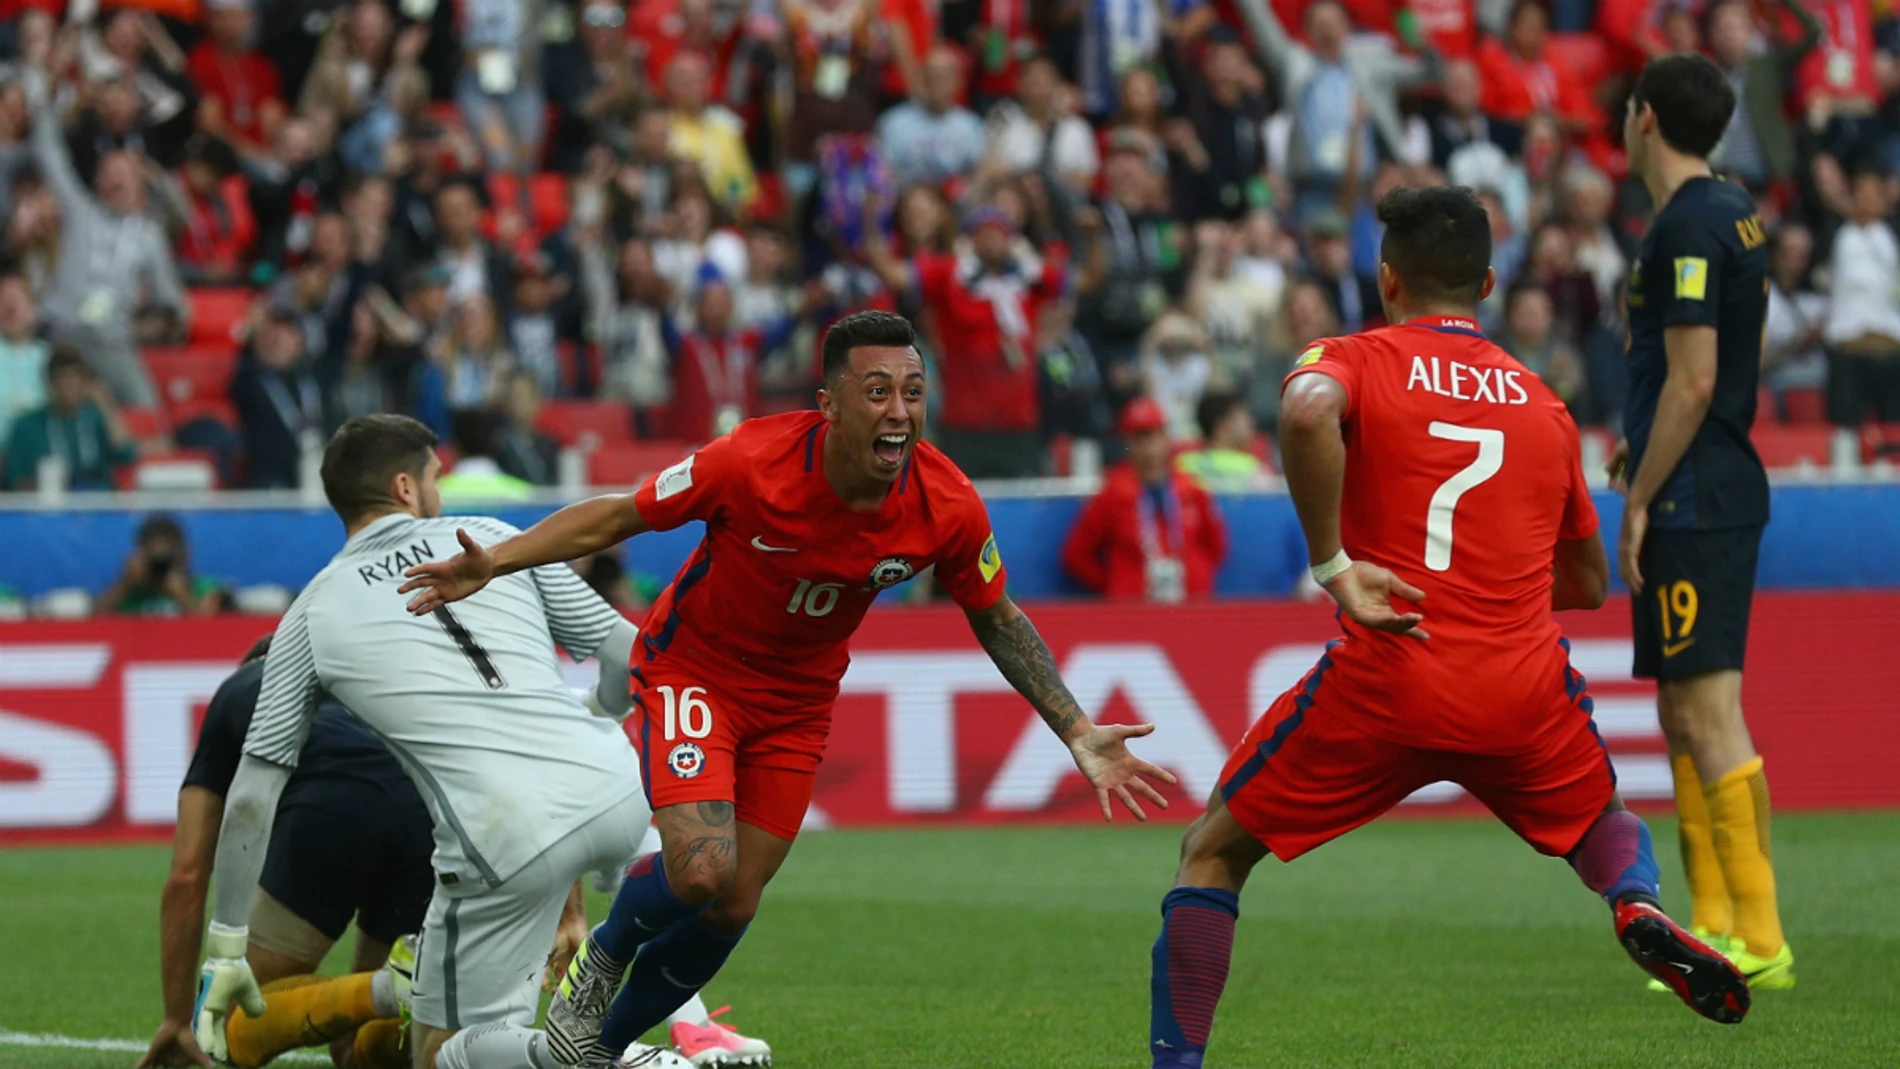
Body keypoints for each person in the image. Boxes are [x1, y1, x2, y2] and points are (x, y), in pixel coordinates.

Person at [398, 310, 1175, 1067]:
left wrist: (1075, 729)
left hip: (798, 703)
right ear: (829, 404)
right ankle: (604, 951)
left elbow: (998, 617)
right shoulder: (749, 461)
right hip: (696, 668)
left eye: (912, 390)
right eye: (877, 391)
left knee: (733, 902)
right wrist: (498, 561)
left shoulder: (948, 505)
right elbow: (620, 516)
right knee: (700, 867)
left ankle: (593, 1049)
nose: (899, 411)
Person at [1147, 187, 1750, 1069]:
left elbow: (1309, 408)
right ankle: (1634, 901)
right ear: (1491, 283)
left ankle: (1176, 1064)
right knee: (1602, 822)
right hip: (1520, 688)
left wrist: (1334, 567)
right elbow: (1584, 582)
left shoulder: (1359, 356)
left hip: (1391, 673)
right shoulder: (1542, 404)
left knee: (1211, 852)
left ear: (1388, 279)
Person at [189, 414, 762, 1069]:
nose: (440, 491)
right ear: (406, 487)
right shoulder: (495, 538)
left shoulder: (311, 612)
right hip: (615, 783)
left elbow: (253, 796)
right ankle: (666, 1030)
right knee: (520, 1007)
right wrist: (593, 716)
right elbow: (634, 657)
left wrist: (228, 946)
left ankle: (618, 1060)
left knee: (437, 1052)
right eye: (436, 477)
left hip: (501, 832)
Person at [1609, 53, 1791, 989]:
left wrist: (1639, 496)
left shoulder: (1688, 224)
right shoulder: (1728, 206)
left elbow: (1695, 378)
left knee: (1709, 711)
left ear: (1644, 117)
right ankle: (1713, 921)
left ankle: (1761, 935)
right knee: (1680, 710)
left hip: (1696, 493)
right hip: (1694, 477)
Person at [138, 634, 431, 1069]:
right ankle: (393, 991)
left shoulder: (241, 688)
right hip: (424, 815)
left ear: (252, 662)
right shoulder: (370, 681)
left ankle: (384, 990)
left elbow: (188, 873)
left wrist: (178, 1018)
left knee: (228, 1030)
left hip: (331, 809)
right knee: (362, 1054)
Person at [1064, 395, 1227, 601]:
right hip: (1133, 612)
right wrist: (1115, 585)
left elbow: (1217, 546)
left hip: (1190, 607)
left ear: (1166, 438)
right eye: (1140, 438)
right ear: (1128, 443)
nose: (1149, 447)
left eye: (1154, 436)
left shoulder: (1193, 490)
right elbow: (1076, 555)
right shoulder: (1111, 494)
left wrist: (1198, 575)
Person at [1, 346, 136, 491]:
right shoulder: (26, 425)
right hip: (46, 505)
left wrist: (104, 403)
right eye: (61, 382)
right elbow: (12, 480)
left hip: (97, 503)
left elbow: (125, 455)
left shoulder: (96, 418)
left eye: (73, 382)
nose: (67, 390)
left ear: (84, 384)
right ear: (49, 383)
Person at [101, 514, 229, 615]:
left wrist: (182, 597)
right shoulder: (127, 594)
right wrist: (125, 585)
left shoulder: (204, 588)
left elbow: (212, 631)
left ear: (183, 553)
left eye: (166, 558)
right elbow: (92, 620)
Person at [1174, 390, 1264, 485]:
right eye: (1243, 417)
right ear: (1221, 426)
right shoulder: (1253, 470)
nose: (1251, 423)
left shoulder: (1183, 464)